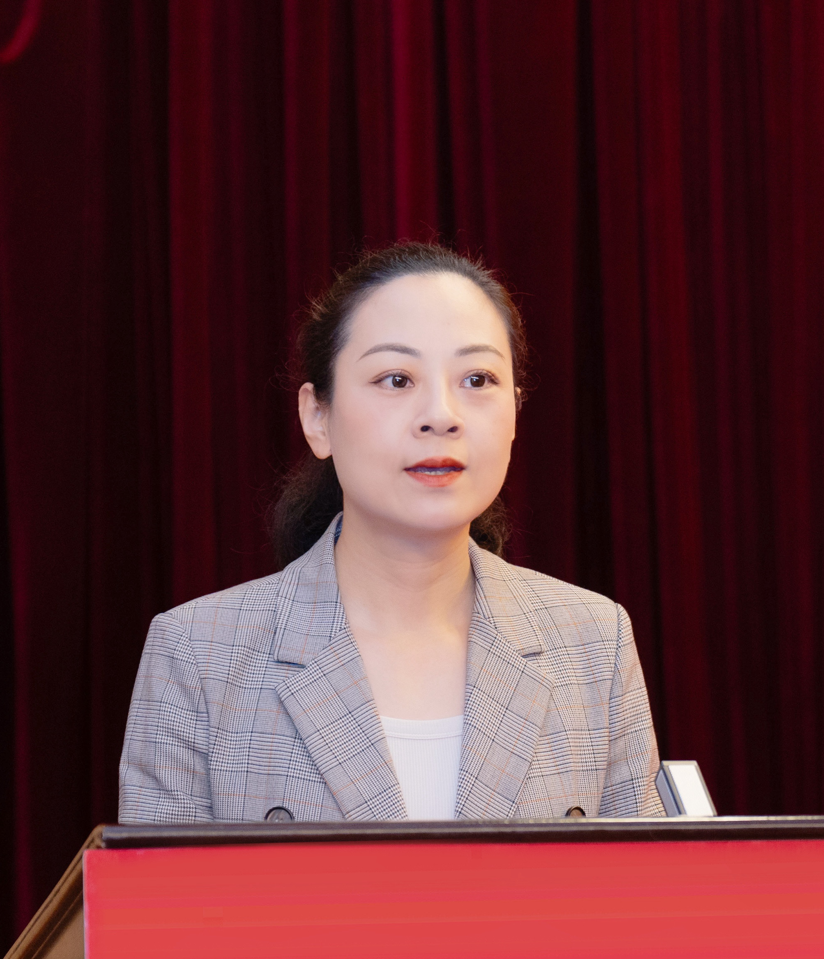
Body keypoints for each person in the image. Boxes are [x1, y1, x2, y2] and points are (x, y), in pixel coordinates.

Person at [118, 241, 662, 823]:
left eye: (477, 379)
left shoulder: (592, 642)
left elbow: (651, 882)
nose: (442, 415)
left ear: (514, 415)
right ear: (317, 417)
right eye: (397, 379)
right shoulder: (198, 655)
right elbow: (154, 885)